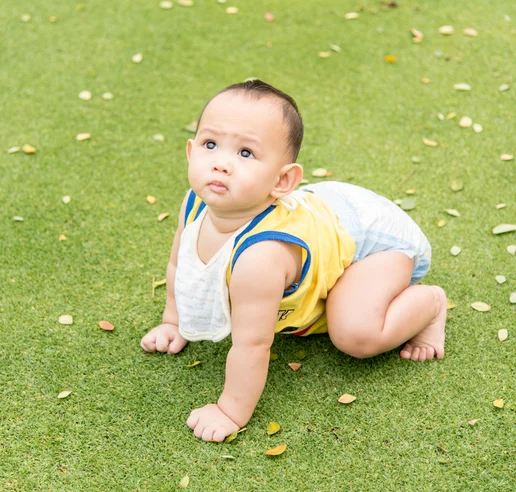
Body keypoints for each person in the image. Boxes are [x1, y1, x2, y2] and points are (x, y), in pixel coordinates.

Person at [140, 79, 447, 443]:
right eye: (211, 145)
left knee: (354, 334)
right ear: (191, 152)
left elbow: (252, 344)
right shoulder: (194, 204)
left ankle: (431, 304)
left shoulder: (262, 255)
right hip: (329, 217)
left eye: (245, 154)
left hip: (371, 241)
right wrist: (173, 321)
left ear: (283, 180)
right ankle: (325, 283)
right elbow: (180, 266)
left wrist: (229, 411)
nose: (221, 163)